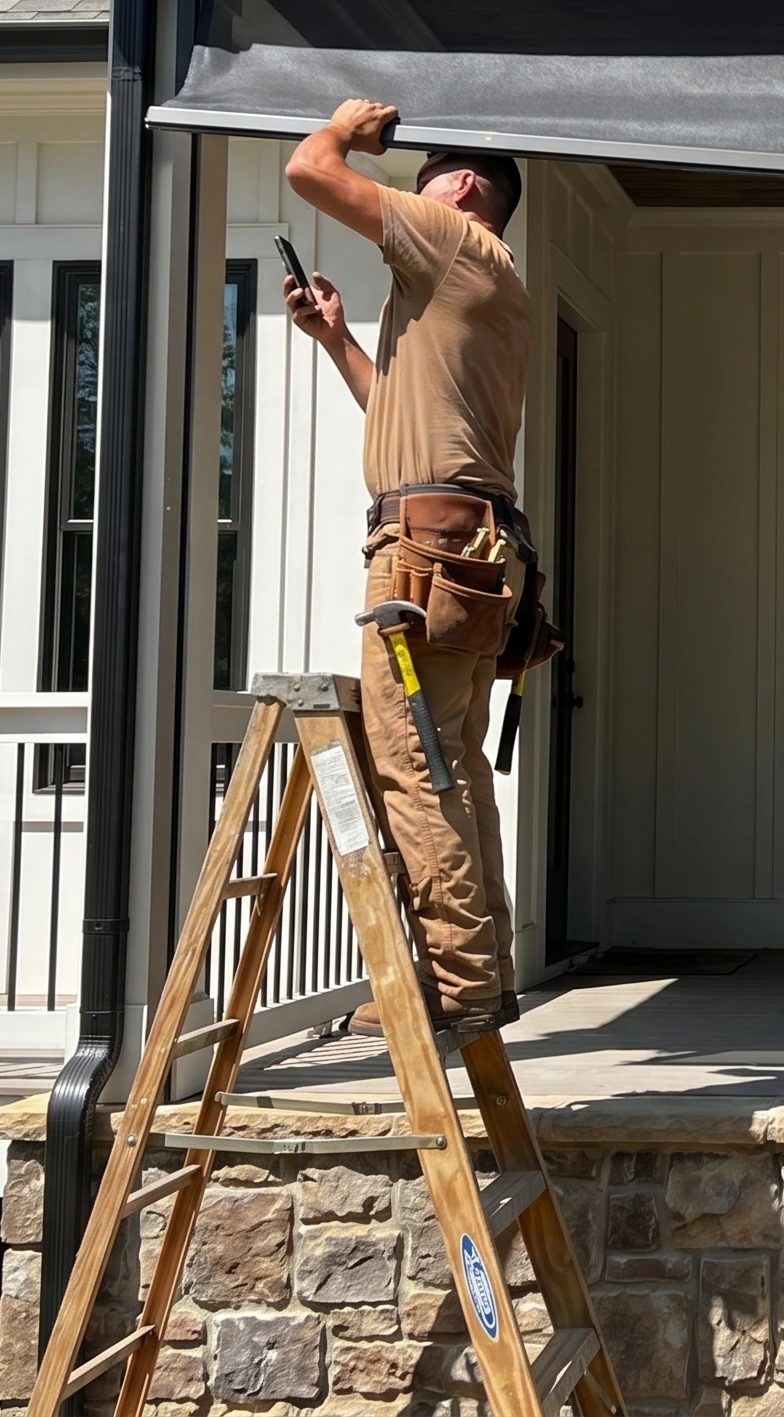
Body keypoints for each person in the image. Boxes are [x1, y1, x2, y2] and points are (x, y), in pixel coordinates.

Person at [283, 98, 534, 1036]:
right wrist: (336, 339)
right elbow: (400, 419)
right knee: (454, 765)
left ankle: (453, 993)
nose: (410, 193)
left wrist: (345, 126)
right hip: (467, 547)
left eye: (424, 176)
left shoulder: (454, 240)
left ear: (461, 187)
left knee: (413, 767)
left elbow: (310, 170)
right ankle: (484, 976)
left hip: (423, 556)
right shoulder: (483, 282)